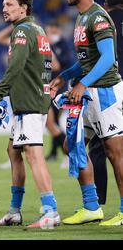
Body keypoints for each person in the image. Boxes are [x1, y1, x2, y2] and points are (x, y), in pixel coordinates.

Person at [50, 0, 123, 226]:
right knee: (73, 146)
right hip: (88, 94)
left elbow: (107, 58)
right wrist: (65, 76)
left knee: (115, 153)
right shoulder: (82, 18)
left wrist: (81, 84)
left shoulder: (98, 17)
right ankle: (92, 207)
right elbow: (87, 61)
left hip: (104, 92)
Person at [0, 0, 61, 228]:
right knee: (13, 151)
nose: (4, 9)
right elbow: (35, 67)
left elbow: (18, 64)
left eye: (9, 4)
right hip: (31, 99)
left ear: (24, 7)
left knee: (33, 154)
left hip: (29, 104)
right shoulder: (37, 29)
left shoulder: (21, 31)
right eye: (3, 4)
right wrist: (10, 87)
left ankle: (51, 211)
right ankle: (14, 211)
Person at [86, 0, 123, 206]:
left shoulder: (103, 21)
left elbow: (101, 58)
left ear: (106, 3)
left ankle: (97, 202)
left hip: (110, 87)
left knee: (102, 148)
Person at [44, 20, 74, 166]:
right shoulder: (55, 46)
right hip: (48, 89)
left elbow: (57, 66)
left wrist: (47, 46)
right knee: (52, 123)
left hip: (59, 90)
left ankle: (68, 153)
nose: (50, 35)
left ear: (58, 31)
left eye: (52, 32)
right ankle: (56, 153)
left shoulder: (64, 46)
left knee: (52, 123)